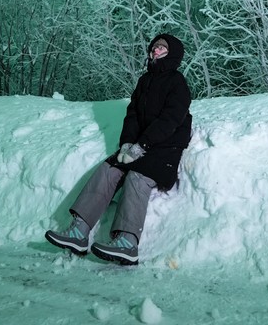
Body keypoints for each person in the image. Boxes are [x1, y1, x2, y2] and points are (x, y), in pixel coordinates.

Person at [45, 33, 193, 265]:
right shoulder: (144, 82)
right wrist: (127, 143)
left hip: (165, 149)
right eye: (154, 47)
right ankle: (78, 232)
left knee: (137, 177)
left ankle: (127, 242)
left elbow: (170, 119)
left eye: (162, 48)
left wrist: (143, 145)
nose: (156, 50)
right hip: (139, 146)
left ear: (172, 53)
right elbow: (133, 115)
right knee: (109, 168)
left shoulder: (177, 83)